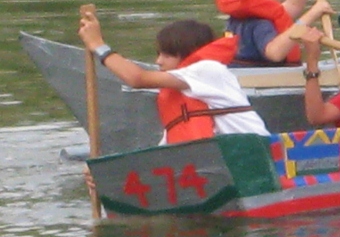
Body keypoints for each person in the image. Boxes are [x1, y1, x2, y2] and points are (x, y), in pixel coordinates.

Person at [78, 12, 270, 144]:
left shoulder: (208, 70)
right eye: (159, 54)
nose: (158, 61)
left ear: (188, 54)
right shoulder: (179, 92)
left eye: (167, 55)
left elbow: (137, 79)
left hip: (255, 152)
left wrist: (98, 45)